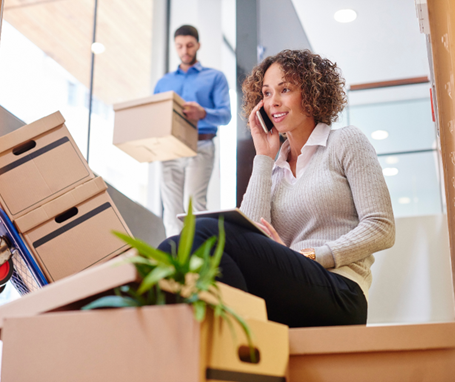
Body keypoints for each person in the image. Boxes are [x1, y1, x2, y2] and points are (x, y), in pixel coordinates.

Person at [158, 49, 395, 328]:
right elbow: (250, 230)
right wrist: (263, 158)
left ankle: (239, 341)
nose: (274, 102)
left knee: (208, 232)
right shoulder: (272, 166)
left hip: (341, 291)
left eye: (285, 90)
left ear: (312, 92)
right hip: (292, 289)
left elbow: (382, 228)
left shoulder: (345, 142)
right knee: (175, 246)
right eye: (267, 93)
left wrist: (310, 256)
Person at [154, 25, 232, 237]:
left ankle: (198, 261)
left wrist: (203, 112)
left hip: (201, 145)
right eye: (180, 46)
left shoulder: (215, 77)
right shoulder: (164, 82)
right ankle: (175, 262)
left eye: (189, 45)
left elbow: (226, 115)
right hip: (170, 149)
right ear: (175, 47)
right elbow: (155, 117)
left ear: (198, 45)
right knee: (170, 210)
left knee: (194, 205)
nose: (185, 50)